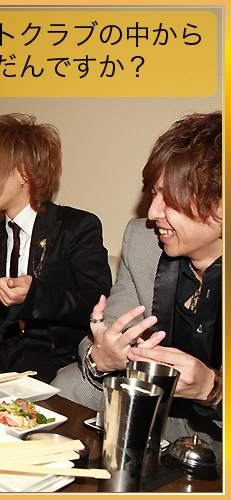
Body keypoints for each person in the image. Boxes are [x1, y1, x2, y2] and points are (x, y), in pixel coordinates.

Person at [52, 112, 222, 452]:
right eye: (155, 193)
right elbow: (104, 334)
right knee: (69, 383)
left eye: (170, 198)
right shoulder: (143, 243)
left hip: (218, 429)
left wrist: (213, 389)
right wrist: (101, 357)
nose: (154, 212)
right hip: (147, 402)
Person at [0, 114, 111, 382]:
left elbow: (97, 302)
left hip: (62, 363)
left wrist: (35, 295)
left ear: (25, 171)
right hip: (10, 356)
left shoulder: (77, 227)